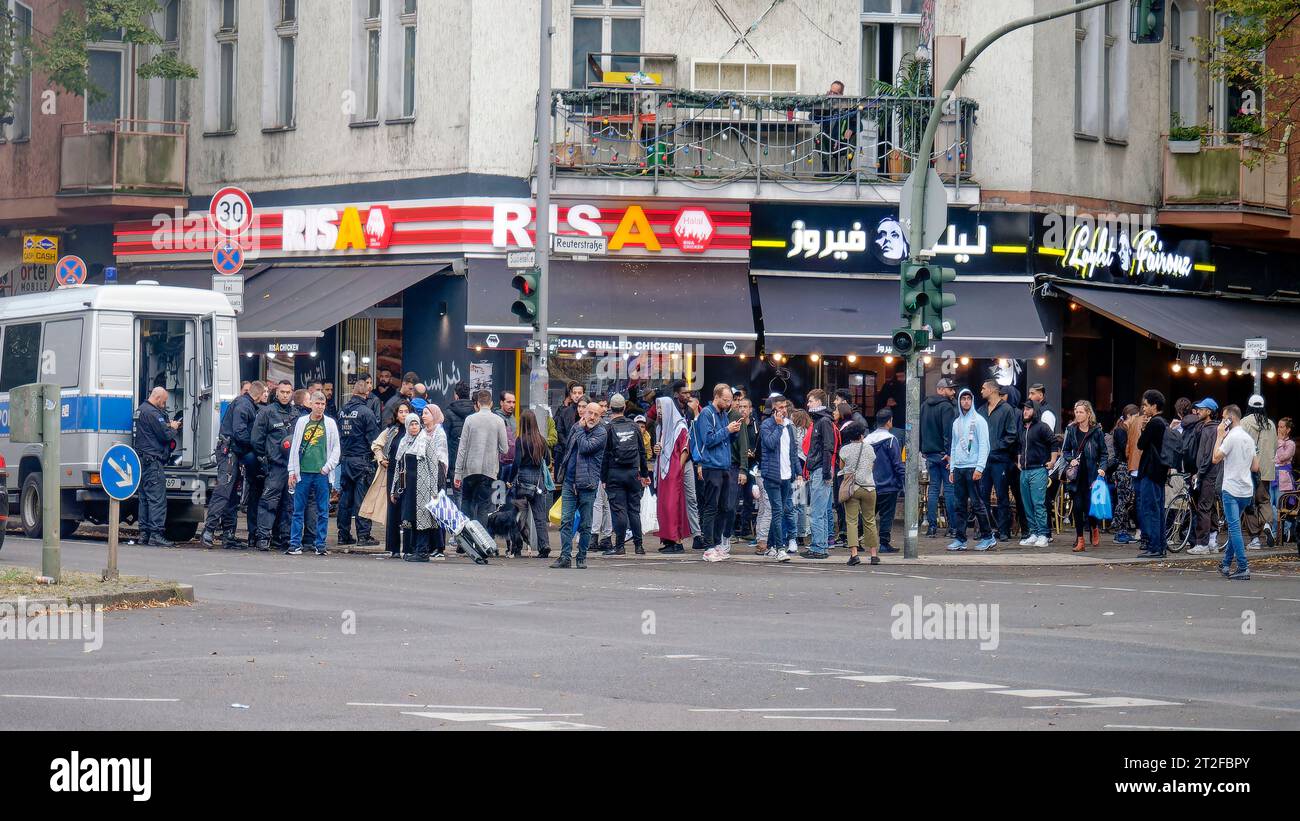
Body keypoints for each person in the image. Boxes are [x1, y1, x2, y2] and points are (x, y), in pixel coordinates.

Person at [202, 380, 264, 549]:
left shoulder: (244, 404)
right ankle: (208, 530)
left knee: (231, 495)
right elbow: (240, 432)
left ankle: (228, 534)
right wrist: (255, 444)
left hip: (234, 452)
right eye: (264, 394)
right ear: (259, 394)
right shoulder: (244, 406)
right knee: (223, 492)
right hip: (229, 452)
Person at [286, 391, 341, 556]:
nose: (320, 407)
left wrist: (327, 467)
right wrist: (291, 471)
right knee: (298, 510)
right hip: (303, 472)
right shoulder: (302, 422)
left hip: (321, 474)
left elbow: (336, 449)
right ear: (311, 404)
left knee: (323, 511)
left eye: (323, 404)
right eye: (317, 403)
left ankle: (320, 544)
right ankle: (295, 543)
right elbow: (295, 447)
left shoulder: (330, 423)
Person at [554, 401, 607, 569]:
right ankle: (565, 556)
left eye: (595, 414)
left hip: (587, 483)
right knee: (566, 520)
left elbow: (585, 447)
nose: (591, 417)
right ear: (583, 412)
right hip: (570, 482)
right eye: (589, 412)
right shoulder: (576, 427)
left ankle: (582, 556)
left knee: (585, 523)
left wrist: (578, 429)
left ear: (600, 417)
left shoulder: (601, 433)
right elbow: (568, 448)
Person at [694, 384, 740, 562]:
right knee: (711, 507)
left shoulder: (722, 414)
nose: (729, 404)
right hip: (711, 466)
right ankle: (708, 547)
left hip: (724, 466)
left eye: (730, 401)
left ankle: (717, 543)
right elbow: (709, 439)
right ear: (717, 397)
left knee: (724, 507)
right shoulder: (707, 413)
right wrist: (727, 430)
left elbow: (725, 438)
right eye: (726, 400)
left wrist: (733, 431)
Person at [334, 376, 381, 547]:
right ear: (366, 393)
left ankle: (343, 534)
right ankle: (363, 535)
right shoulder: (366, 413)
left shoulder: (342, 411)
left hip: (345, 460)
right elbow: (373, 440)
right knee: (363, 499)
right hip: (362, 461)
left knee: (345, 500)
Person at [391, 411, 444, 562]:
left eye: (416, 424)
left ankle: (422, 552)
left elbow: (433, 467)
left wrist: (433, 491)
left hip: (423, 487)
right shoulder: (404, 443)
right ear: (407, 426)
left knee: (423, 519)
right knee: (411, 519)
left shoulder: (427, 441)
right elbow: (398, 467)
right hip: (408, 488)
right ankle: (414, 549)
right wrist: (394, 490)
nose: (414, 427)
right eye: (411, 424)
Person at [1213, 404, 1258, 580]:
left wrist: (1219, 436)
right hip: (1246, 490)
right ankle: (1225, 564)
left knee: (1234, 528)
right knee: (1234, 528)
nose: (1223, 421)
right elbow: (1255, 467)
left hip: (1231, 488)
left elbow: (1215, 458)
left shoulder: (1231, 437)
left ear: (1230, 418)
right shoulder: (1248, 438)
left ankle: (1243, 566)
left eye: (1224, 418)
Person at [601, 394, 649, 556]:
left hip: (615, 473)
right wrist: (643, 473)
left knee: (619, 510)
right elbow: (642, 452)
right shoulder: (635, 427)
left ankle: (620, 546)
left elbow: (605, 456)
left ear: (610, 408)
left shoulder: (608, 428)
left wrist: (603, 478)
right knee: (634, 510)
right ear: (624, 408)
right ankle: (639, 546)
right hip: (633, 473)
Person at [251, 381, 297, 551]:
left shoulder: (296, 414)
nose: (285, 395)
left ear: (292, 393)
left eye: (288, 392)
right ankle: (263, 537)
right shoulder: (267, 412)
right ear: (276, 393)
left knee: (289, 504)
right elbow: (256, 439)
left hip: (292, 468)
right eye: (282, 392)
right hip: (275, 466)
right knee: (268, 502)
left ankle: (285, 538)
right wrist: (264, 459)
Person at [947, 388, 995, 552]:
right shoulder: (956, 423)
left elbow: (984, 445)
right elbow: (953, 447)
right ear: (959, 401)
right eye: (963, 399)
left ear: (972, 400)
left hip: (973, 467)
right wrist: (952, 469)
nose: (966, 401)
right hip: (959, 468)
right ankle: (960, 539)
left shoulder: (979, 420)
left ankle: (988, 536)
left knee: (977, 504)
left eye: (968, 398)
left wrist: (980, 467)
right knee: (959, 505)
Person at [133, 386, 181, 547]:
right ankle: (156, 534)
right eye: (164, 401)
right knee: (156, 499)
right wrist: (173, 427)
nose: (164, 404)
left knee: (145, 499)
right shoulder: (153, 414)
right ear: (158, 397)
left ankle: (144, 534)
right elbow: (165, 435)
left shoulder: (140, 410)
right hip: (153, 462)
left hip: (142, 461)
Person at [452, 389, 508, 525]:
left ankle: (465, 543)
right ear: (491, 403)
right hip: (488, 471)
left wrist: (457, 474)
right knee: (484, 507)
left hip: (469, 470)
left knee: (466, 505)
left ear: (477, 403)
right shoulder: (499, 421)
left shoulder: (469, 420)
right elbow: (504, 449)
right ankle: (481, 543)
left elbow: (462, 448)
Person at [1058, 400, 1108, 553]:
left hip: (1092, 474)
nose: (1078, 414)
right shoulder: (1071, 430)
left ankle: (1094, 528)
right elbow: (1065, 450)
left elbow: (1104, 453)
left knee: (1089, 508)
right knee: (1077, 507)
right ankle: (1080, 540)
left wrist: (1102, 468)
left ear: (1088, 414)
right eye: (1076, 411)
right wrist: (1069, 459)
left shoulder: (1096, 431)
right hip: (1077, 475)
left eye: (1081, 412)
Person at [365, 399, 410, 559]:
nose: (404, 415)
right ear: (396, 414)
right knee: (393, 510)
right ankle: (394, 548)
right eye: (401, 412)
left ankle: (409, 547)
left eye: (406, 411)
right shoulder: (391, 430)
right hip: (392, 473)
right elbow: (376, 445)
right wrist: (381, 459)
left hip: (409, 474)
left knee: (408, 510)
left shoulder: (415, 429)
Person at [978, 380, 1019, 542]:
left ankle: (1004, 530)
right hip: (983, 460)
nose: (981, 391)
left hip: (1000, 459)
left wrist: (995, 447)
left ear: (993, 390)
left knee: (1002, 496)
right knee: (983, 496)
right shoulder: (981, 410)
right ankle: (985, 530)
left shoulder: (1007, 409)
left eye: (983, 388)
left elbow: (1012, 434)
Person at [756, 395, 796, 562]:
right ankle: (780, 548)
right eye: (780, 407)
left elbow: (793, 451)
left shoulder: (789, 426)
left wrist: (798, 471)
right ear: (773, 409)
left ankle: (771, 546)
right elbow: (770, 444)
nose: (784, 410)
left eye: (785, 406)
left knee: (781, 510)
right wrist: (779, 427)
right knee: (777, 510)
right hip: (772, 476)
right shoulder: (767, 425)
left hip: (787, 475)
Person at [801, 389, 838, 559]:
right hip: (821, 469)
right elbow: (828, 447)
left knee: (817, 511)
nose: (808, 404)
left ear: (818, 402)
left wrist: (824, 472)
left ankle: (818, 547)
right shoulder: (825, 420)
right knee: (821, 511)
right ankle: (821, 546)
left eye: (811, 401)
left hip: (819, 470)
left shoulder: (821, 422)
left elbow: (827, 447)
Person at [654, 395, 692, 554]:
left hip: (673, 472)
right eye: (658, 408)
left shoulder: (679, 427)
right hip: (663, 471)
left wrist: (677, 468)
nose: (659, 411)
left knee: (673, 506)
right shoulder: (661, 428)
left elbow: (685, 449)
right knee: (664, 506)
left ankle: (677, 541)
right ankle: (668, 539)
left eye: (661, 408)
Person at [920, 378, 958, 538]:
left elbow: (920, 428)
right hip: (944, 455)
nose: (953, 392)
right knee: (949, 490)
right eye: (950, 389)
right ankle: (953, 528)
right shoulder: (946, 407)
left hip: (929, 454)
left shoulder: (924, 406)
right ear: (941, 390)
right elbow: (948, 433)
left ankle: (932, 528)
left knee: (934, 490)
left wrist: (922, 448)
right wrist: (949, 453)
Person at [512, 410, 553, 558]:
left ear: (522, 423)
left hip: (522, 479)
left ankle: (517, 547)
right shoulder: (541, 440)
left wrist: (510, 480)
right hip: (538, 482)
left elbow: (516, 463)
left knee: (519, 515)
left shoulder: (520, 440)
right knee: (540, 516)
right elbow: (548, 461)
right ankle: (544, 546)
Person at [1135, 390, 1170, 558]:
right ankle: (1160, 545)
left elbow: (1141, 444)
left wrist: (1143, 428)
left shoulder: (1154, 423)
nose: (1144, 409)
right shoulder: (1164, 422)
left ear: (1154, 406)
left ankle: (1155, 546)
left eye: (1146, 405)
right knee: (1158, 508)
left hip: (1150, 470)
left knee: (1150, 509)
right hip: (1160, 470)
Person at [838, 421, 879, 566]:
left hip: (852, 489)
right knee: (870, 520)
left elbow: (842, 467)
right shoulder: (869, 449)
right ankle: (874, 554)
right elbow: (871, 467)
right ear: (862, 435)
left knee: (852, 521)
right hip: (869, 487)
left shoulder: (844, 450)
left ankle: (854, 554)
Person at [1017, 399, 1056, 547]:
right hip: (1025, 471)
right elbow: (1019, 446)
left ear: (1035, 411)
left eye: (1028, 409)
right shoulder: (1022, 428)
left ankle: (1043, 534)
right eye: (1024, 409)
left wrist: (1052, 461)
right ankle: (1033, 533)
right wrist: (1019, 461)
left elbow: (1053, 442)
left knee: (1038, 503)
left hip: (1038, 469)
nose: (1025, 411)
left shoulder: (1042, 427)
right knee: (1027, 504)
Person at [1240, 394, 1278, 547]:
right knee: (1264, 500)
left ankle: (1255, 538)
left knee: (1249, 503)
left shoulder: (1244, 423)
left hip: (1248, 469)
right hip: (1266, 471)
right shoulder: (1271, 424)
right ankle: (1268, 524)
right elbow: (1274, 448)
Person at [1186, 399, 1223, 555]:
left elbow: (1207, 455)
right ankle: (1212, 541)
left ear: (1209, 411)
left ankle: (1202, 544)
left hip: (1208, 473)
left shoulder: (1209, 429)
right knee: (1210, 507)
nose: (1198, 411)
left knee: (1203, 508)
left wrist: (1199, 473)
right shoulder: (1211, 428)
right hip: (1212, 472)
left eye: (1201, 409)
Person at [866, 408, 905, 554]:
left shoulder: (867, 439)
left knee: (868, 515)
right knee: (886, 517)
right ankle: (884, 543)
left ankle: (858, 540)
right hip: (888, 485)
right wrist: (901, 482)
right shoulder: (891, 440)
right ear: (889, 421)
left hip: (870, 484)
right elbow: (897, 463)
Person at [1111, 404, 1140, 544]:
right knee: (1123, 500)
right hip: (1123, 468)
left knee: (1128, 500)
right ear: (1129, 416)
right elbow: (1124, 450)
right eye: (1135, 416)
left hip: (1128, 467)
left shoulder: (1127, 429)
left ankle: (1123, 529)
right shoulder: (1121, 431)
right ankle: (1120, 531)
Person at [818, 80, 855, 174]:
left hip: (843, 142)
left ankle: (848, 166)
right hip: (828, 141)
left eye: (835, 93)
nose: (832, 95)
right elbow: (813, 118)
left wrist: (851, 129)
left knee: (855, 137)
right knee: (819, 136)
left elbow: (859, 124)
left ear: (841, 95)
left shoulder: (847, 106)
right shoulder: (825, 104)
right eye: (830, 92)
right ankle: (825, 167)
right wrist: (820, 107)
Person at [444, 382, 475, 489]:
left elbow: (445, 439)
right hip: (473, 462)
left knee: (457, 493)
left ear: (456, 395)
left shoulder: (448, 412)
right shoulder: (475, 412)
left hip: (454, 460)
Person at [553, 381, 585, 470]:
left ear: (583, 394)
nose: (577, 395)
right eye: (574, 393)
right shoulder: (564, 411)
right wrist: (568, 444)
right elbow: (559, 431)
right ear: (571, 394)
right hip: (564, 450)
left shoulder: (588, 412)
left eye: (580, 393)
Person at [1275, 417, 1294, 540]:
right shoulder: (1275, 442)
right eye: (1278, 426)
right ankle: (1273, 532)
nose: (1279, 429)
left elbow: (1282, 457)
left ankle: (1286, 531)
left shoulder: (1290, 444)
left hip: (1283, 478)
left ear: (1288, 430)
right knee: (1270, 504)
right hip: (1272, 476)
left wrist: (1281, 442)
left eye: (1282, 427)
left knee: (1280, 505)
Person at [495, 390, 518, 484]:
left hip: (512, 462)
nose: (512, 405)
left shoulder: (513, 418)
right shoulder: (496, 417)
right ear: (501, 402)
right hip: (500, 462)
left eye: (514, 402)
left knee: (510, 493)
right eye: (508, 402)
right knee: (498, 493)